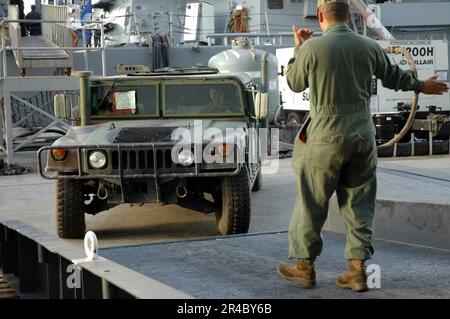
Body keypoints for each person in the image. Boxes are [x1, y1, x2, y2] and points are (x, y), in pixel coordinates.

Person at [277, 0, 449, 292]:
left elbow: (294, 83)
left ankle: (304, 267)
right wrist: (422, 86)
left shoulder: (312, 48)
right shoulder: (369, 47)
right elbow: (395, 78)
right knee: (360, 203)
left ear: (320, 16)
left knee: (311, 202)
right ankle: (357, 271)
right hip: (361, 136)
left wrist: (299, 48)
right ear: (348, 16)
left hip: (324, 136)